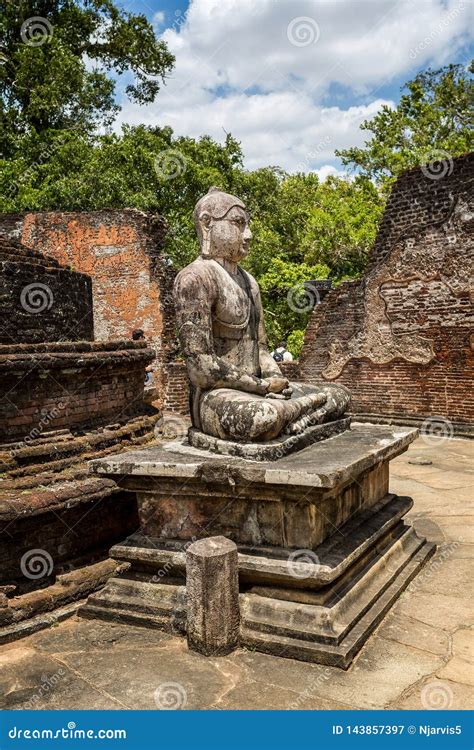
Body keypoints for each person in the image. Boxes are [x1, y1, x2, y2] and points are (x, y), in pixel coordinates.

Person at [173, 187, 350, 443]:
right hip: (218, 397)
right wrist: (262, 387)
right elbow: (201, 368)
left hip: (260, 390)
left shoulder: (250, 282)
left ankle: (295, 414)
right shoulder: (194, 278)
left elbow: (262, 351)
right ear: (207, 223)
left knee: (339, 394)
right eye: (238, 223)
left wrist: (275, 377)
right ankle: (300, 414)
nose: (248, 235)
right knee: (261, 418)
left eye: (247, 225)